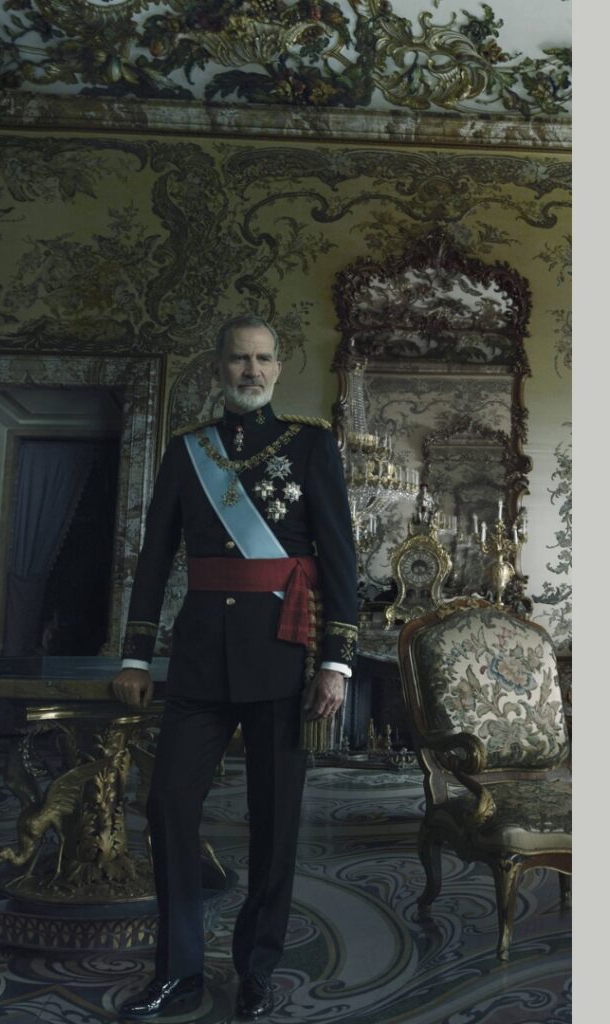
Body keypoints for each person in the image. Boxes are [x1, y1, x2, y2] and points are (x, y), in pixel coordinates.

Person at [112, 314, 359, 1020]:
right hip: (197, 660)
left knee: (275, 822)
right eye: (237, 360)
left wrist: (335, 661)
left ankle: (257, 968)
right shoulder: (187, 450)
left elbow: (339, 558)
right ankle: (179, 969)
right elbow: (156, 558)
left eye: (262, 359)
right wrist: (136, 653)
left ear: (278, 368)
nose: (250, 371)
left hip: (283, 658)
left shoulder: (311, 446)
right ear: (217, 368)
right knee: (166, 806)